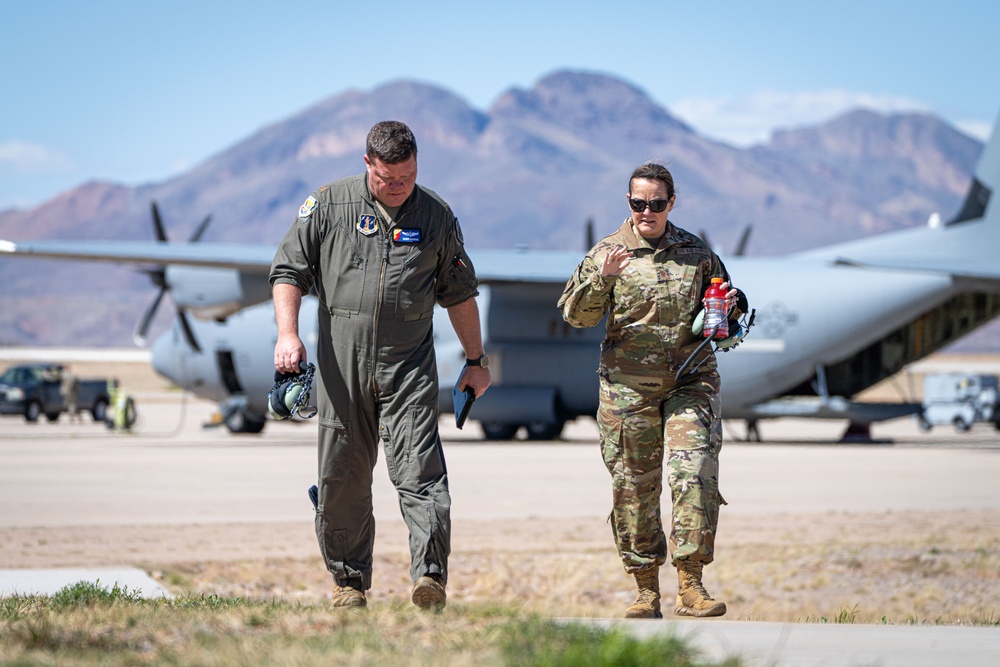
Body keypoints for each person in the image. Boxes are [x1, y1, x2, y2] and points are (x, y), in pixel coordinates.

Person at [270, 120, 491, 610]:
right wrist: (288, 334)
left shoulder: (436, 216)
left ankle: (428, 578)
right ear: (367, 163)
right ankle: (349, 584)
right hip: (339, 366)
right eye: (389, 178)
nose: (399, 187)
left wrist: (476, 360)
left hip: (407, 366)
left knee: (421, 471)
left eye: (408, 177)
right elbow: (288, 271)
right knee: (341, 476)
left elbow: (459, 294)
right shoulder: (329, 205)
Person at [557, 162, 746, 619]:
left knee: (694, 472)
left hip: (689, 380)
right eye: (639, 203)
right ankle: (645, 589)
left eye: (657, 204)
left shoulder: (695, 253)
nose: (647, 211)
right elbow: (575, 317)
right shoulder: (607, 252)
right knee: (634, 487)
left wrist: (731, 307)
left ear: (671, 203)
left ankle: (692, 584)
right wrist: (602, 277)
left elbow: (724, 307)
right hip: (627, 390)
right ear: (628, 203)